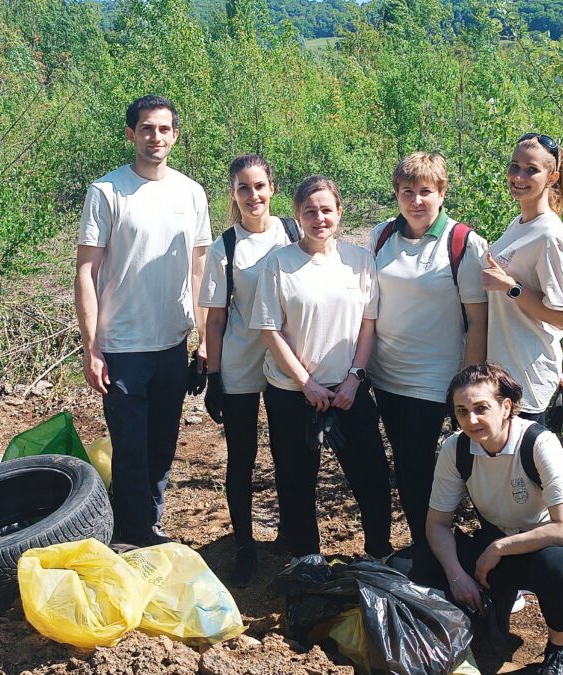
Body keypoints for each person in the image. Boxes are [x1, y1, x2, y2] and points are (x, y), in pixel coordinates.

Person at [388, 362, 563, 675]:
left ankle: (558, 649)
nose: (471, 420)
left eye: (481, 408)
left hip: (542, 544)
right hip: (494, 543)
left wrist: (498, 549)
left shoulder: (539, 443)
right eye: (461, 411)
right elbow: (437, 525)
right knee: (402, 567)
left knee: (557, 564)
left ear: (506, 406)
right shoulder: (457, 449)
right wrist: (457, 575)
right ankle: (474, 621)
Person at [74, 95, 212, 547]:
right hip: (122, 346)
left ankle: (146, 520)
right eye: (147, 129)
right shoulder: (107, 192)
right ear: (131, 134)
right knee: (130, 449)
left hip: (172, 343)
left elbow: (198, 269)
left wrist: (204, 338)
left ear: (175, 135)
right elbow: (86, 272)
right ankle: (137, 538)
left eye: (164, 129)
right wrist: (91, 346)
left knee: (162, 448)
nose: (156, 138)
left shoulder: (191, 193)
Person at [249, 174, 393, 560]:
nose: (319, 218)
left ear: (339, 213)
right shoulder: (278, 264)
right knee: (296, 481)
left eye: (326, 210)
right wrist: (306, 384)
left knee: (373, 476)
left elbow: (368, 324)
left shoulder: (360, 261)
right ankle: (306, 560)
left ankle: (380, 553)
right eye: (309, 211)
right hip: (293, 393)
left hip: (349, 390)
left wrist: (354, 379)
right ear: (297, 216)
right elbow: (269, 330)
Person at [367, 151, 488, 546]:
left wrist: (467, 385)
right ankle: (426, 545)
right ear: (396, 194)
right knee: (404, 464)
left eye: (425, 191)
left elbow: (478, 319)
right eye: (407, 192)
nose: (416, 201)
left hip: (434, 379)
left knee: (419, 466)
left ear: (442, 193)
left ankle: (431, 549)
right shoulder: (381, 235)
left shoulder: (462, 243)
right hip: (385, 374)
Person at [199, 154, 298, 587]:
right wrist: (214, 377)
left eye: (260, 186)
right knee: (241, 457)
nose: (253, 195)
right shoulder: (227, 246)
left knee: (288, 452)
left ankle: (289, 533)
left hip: (285, 359)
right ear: (233, 194)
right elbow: (216, 317)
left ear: (272, 188)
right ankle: (244, 546)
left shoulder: (292, 233)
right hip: (240, 360)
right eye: (243, 188)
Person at [482, 134, 563, 425]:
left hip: (527, 377)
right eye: (515, 166)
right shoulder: (520, 222)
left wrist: (512, 288)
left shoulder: (550, 235)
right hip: (504, 370)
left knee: (522, 467)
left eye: (531, 169)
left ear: (552, 176)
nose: (518, 176)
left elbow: (562, 317)